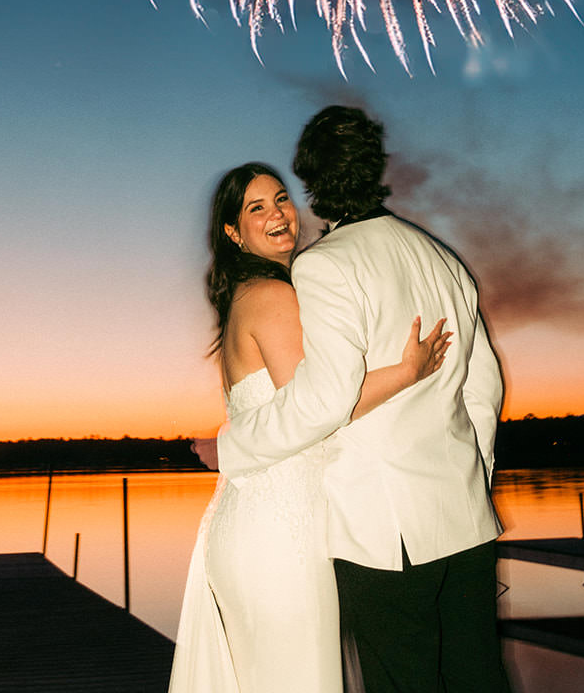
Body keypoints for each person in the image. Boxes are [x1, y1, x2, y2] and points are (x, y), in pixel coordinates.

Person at [219, 108, 510, 693]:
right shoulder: (443, 259)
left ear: (311, 183)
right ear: (376, 170)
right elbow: (484, 386)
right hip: (466, 518)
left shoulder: (323, 266)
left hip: (385, 531)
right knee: (479, 679)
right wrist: (468, 473)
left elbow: (325, 399)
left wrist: (233, 441)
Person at [169, 161, 450, 693]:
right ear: (233, 232)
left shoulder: (247, 296)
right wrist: (406, 371)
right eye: (257, 208)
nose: (279, 214)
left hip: (260, 526)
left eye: (281, 199)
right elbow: (320, 402)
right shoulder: (274, 297)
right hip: (280, 539)